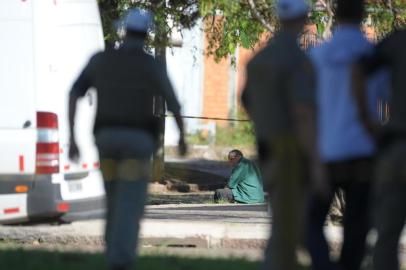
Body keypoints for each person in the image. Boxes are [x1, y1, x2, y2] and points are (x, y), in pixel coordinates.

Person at [68, 8, 187, 270]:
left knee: (113, 199)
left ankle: (113, 253)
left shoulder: (101, 60)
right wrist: (182, 138)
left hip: (106, 140)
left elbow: (74, 93)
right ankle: (121, 261)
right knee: (130, 202)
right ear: (146, 35)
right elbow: (173, 103)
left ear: (123, 31)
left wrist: (72, 137)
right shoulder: (151, 65)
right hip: (137, 142)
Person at [242, 0, 325, 269]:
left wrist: (266, 122)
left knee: (280, 218)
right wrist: (315, 161)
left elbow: (246, 100)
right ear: (303, 18)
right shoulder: (298, 60)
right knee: (288, 227)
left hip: (265, 145)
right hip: (290, 149)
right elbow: (302, 113)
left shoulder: (259, 59)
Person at [306, 1, 388, 269]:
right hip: (363, 150)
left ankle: (323, 265)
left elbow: (307, 105)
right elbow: (389, 100)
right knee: (357, 225)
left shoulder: (318, 55)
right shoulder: (373, 54)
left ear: (336, 14)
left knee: (310, 222)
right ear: (363, 15)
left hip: (327, 149)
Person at [355, 27, 406, 270]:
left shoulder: (397, 41)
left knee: (387, 233)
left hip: (397, 145)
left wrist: (368, 119)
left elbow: (359, 70)